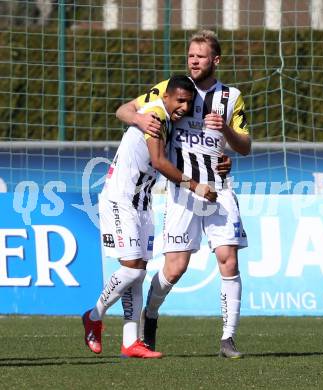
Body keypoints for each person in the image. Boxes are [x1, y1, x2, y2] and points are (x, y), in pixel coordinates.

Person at [116, 30, 251, 359]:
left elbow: (245, 146)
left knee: (228, 258)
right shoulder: (171, 88)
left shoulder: (231, 97)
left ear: (215, 61)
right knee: (175, 268)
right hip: (183, 192)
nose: (193, 60)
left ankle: (228, 339)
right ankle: (150, 316)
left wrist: (228, 132)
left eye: (201, 56)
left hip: (219, 190)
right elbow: (123, 110)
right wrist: (139, 118)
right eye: (191, 55)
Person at [82, 75, 217, 359]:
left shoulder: (166, 118)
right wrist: (197, 186)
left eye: (188, 102)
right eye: (179, 100)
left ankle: (131, 343)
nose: (183, 107)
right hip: (121, 199)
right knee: (131, 270)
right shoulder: (155, 114)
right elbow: (159, 162)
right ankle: (94, 315)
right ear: (166, 97)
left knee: (139, 273)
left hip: (142, 202)